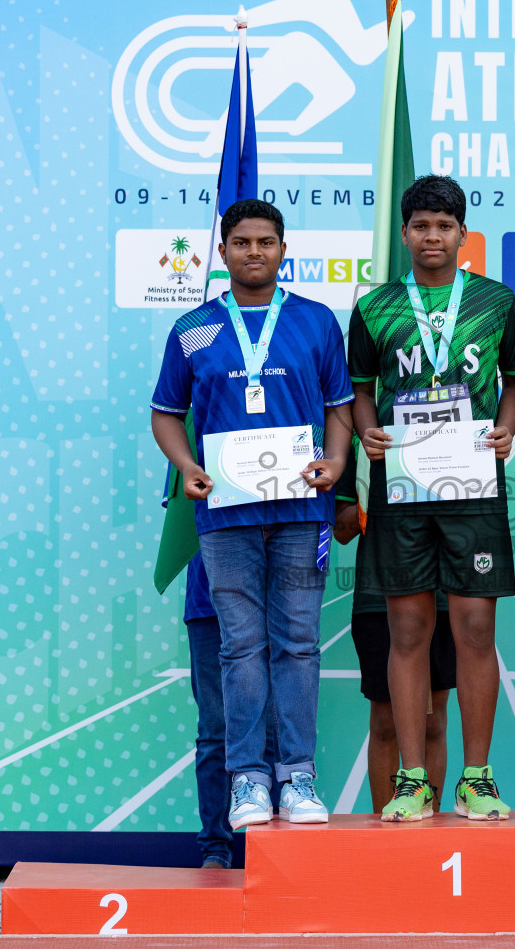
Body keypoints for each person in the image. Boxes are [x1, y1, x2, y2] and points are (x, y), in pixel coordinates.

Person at [152, 198, 354, 829]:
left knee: (297, 643)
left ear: (283, 249)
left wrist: (339, 461)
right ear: (223, 251)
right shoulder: (195, 330)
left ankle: (296, 776)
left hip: (300, 511)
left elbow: (340, 406)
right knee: (240, 648)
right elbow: (165, 414)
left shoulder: (317, 322)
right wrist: (187, 467)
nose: (254, 252)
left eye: (266, 242)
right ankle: (248, 781)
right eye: (241, 243)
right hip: (224, 517)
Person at [348, 174, 515, 823]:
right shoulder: (374, 307)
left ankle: (476, 778)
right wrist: (368, 427)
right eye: (420, 226)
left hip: (473, 486)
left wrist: (510, 426)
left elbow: (513, 383)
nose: (432, 237)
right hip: (403, 489)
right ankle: (413, 781)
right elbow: (361, 387)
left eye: (444, 227)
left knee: (476, 627)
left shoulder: (497, 302)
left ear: (462, 234)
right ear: (404, 234)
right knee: (408, 627)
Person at [332, 448, 454, 813]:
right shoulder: (361, 437)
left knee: (433, 722)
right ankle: (386, 831)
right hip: (379, 595)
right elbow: (341, 527)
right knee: (385, 721)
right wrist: (386, 498)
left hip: (442, 593)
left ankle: (429, 822)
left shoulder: (454, 429)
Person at [182, 552, 278, 867]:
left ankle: (271, 851)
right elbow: (183, 514)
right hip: (207, 602)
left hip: (266, 599)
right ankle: (215, 849)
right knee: (215, 729)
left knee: (270, 730)